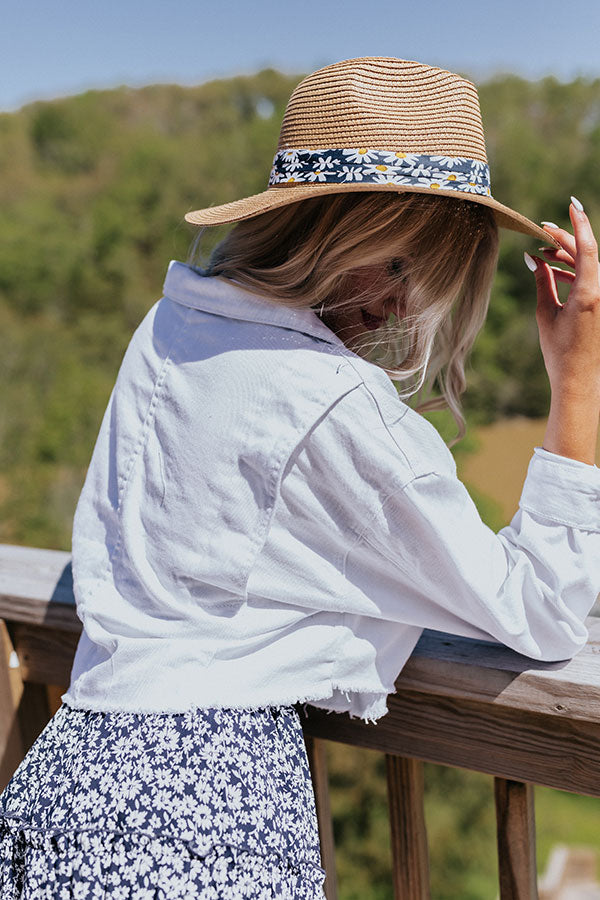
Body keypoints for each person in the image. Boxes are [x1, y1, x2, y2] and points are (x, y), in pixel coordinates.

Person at [1, 55, 599, 899]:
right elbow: (540, 609)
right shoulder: (328, 399)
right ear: (332, 232)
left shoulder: (174, 323)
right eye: (396, 263)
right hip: (203, 821)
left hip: (65, 787)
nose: (402, 303)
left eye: (419, 272)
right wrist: (578, 381)